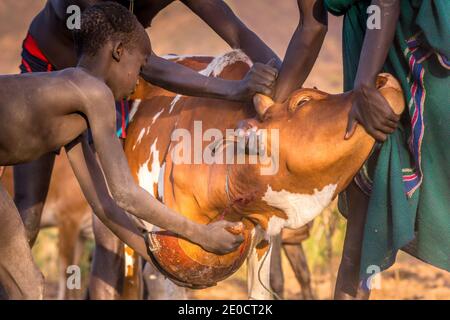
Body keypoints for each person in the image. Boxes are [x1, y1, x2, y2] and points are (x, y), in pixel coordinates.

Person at [16, 0, 281, 298]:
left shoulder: (101, 89)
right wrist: (200, 235)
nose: (140, 81)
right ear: (119, 52)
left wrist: (280, 88)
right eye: (139, 68)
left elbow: (105, 202)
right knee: (25, 223)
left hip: (101, 75)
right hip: (62, 66)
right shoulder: (97, 67)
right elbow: (124, 192)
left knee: (103, 224)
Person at [324, 0, 450, 299]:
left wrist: (364, 86)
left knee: (360, 228)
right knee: (361, 221)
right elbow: (310, 26)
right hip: (377, 65)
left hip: (410, 68)